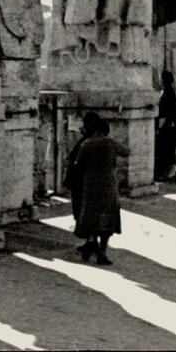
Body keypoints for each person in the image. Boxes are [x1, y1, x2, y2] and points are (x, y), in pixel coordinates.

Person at [66, 113, 124, 264]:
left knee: (91, 217)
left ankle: (90, 244)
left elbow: (78, 165)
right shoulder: (110, 143)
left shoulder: (86, 144)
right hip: (109, 185)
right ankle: (102, 254)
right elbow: (127, 151)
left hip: (91, 185)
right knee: (108, 220)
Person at [155, 70, 176, 179]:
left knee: (166, 148)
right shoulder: (168, 91)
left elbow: (170, 111)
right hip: (169, 124)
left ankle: (170, 171)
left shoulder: (168, 92)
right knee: (167, 149)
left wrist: (163, 126)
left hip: (168, 125)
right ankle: (172, 170)